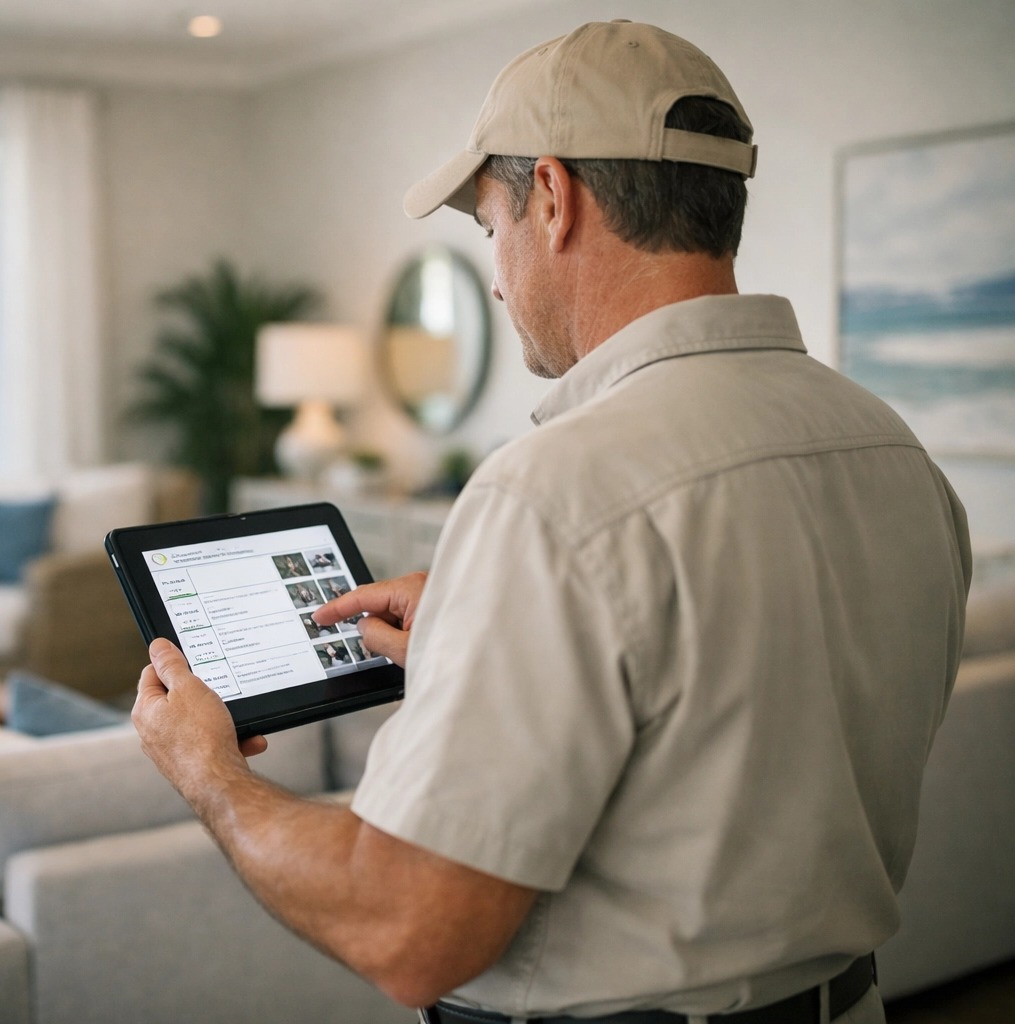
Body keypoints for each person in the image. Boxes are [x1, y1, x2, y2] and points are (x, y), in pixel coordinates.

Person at [131, 19, 969, 1024]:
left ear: (554, 198)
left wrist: (208, 769)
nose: (494, 275)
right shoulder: (892, 450)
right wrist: (494, 637)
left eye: (491, 227)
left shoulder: (551, 493)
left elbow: (405, 929)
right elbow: (737, 708)